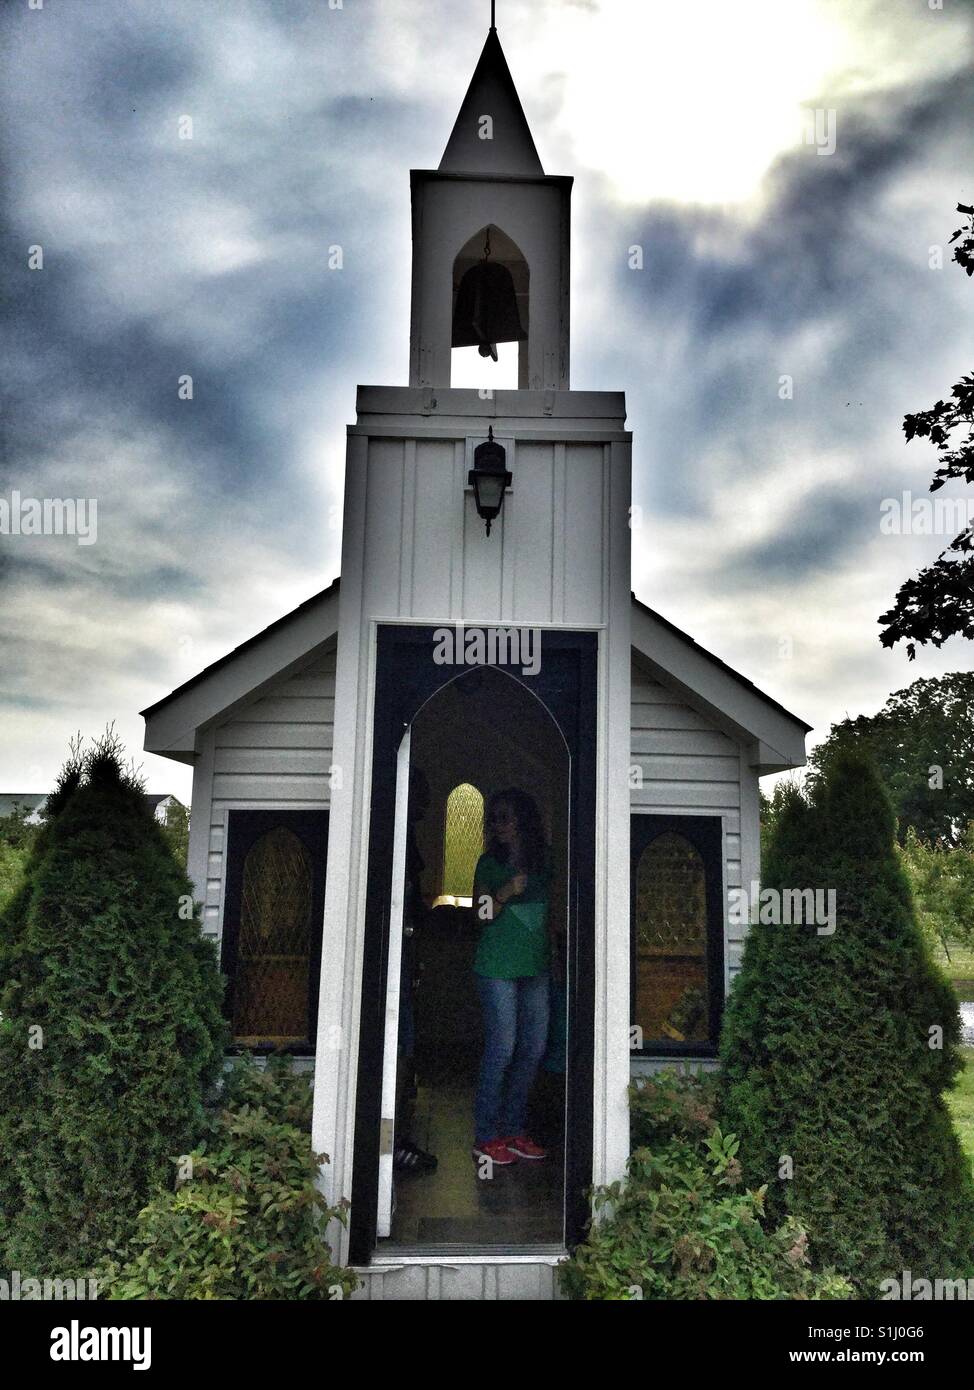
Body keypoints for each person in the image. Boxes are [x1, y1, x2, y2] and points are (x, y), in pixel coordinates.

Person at [471, 788, 553, 1166]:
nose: (498, 824)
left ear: (524, 819)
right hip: (497, 968)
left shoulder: (543, 862)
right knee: (502, 1049)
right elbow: (482, 914)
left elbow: (558, 908)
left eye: (505, 816)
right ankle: (486, 1136)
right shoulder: (489, 864)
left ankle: (514, 1129)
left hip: (535, 966)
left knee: (532, 1049)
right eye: (494, 818)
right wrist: (506, 890)